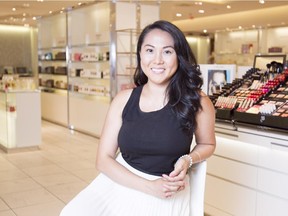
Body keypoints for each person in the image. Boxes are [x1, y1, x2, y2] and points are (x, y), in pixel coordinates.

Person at [60, 20, 216, 216]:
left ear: (179, 56)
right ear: (140, 55)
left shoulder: (197, 101)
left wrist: (188, 159)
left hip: (167, 194)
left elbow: (208, 144)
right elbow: (103, 160)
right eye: (150, 50)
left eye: (167, 52)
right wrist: (149, 187)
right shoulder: (123, 100)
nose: (157, 60)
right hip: (123, 185)